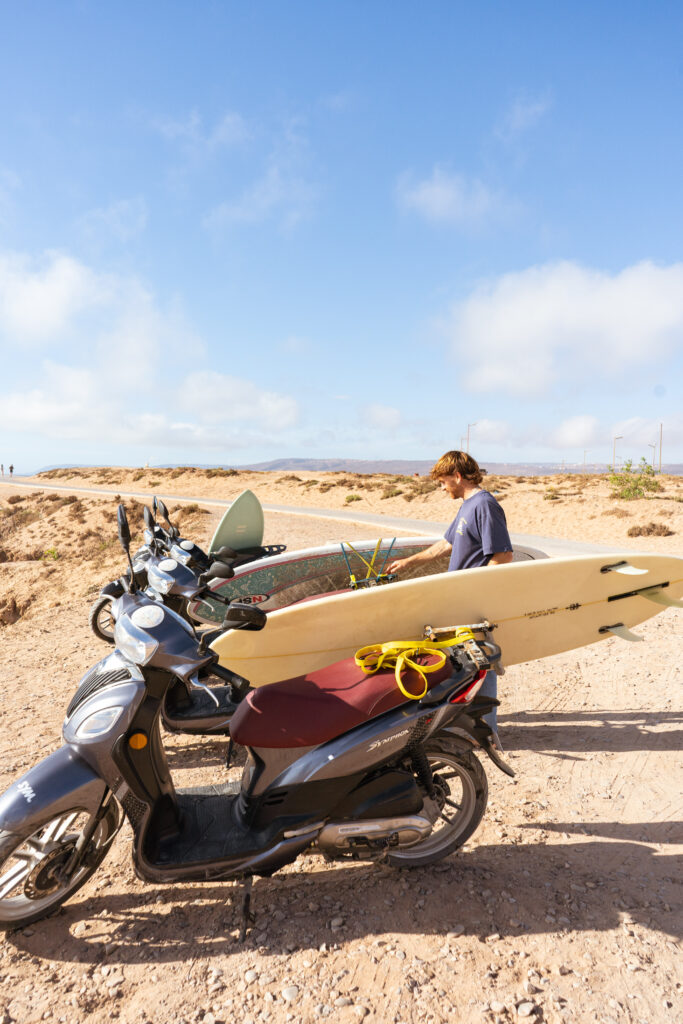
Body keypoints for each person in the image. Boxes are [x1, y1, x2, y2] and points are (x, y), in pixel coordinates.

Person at [387, 449, 512, 747]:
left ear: (457, 476)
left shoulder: (484, 505)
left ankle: (485, 733)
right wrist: (409, 563)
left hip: (472, 602)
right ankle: (468, 728)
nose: (442, 488)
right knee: (463, 662)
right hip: (459, 600)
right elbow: (445, 545)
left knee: (479, 661)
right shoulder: (467, 507)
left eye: (443, 482)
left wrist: (475, 593)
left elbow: (503, 556)